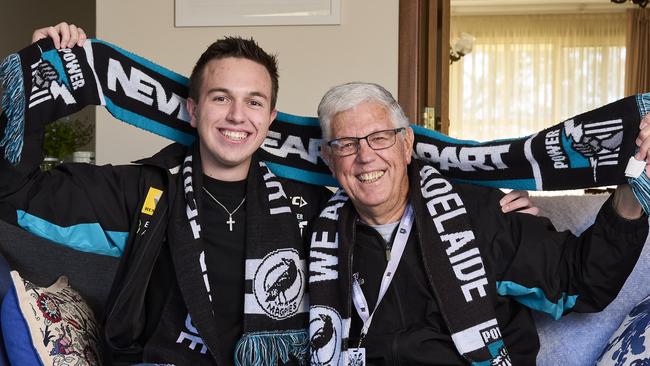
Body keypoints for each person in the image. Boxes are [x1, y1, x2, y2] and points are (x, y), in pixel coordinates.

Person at [0, 23, 538, 365]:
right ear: (193, 109)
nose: (238, 116)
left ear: (271, 118)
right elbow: (15, 192)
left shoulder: (315, 203)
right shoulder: (143, 191)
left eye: (254, 102)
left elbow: (389, 182)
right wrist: (47, 76)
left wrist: (491, 209)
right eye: (221, 98)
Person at [308, 82, 649, 365]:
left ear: (406, 144)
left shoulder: (479, 213)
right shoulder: (314, 233)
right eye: (345, 144)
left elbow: (581, 282)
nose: (365, 155)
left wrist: (632, 186)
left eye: (379, 137)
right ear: (328, 158)